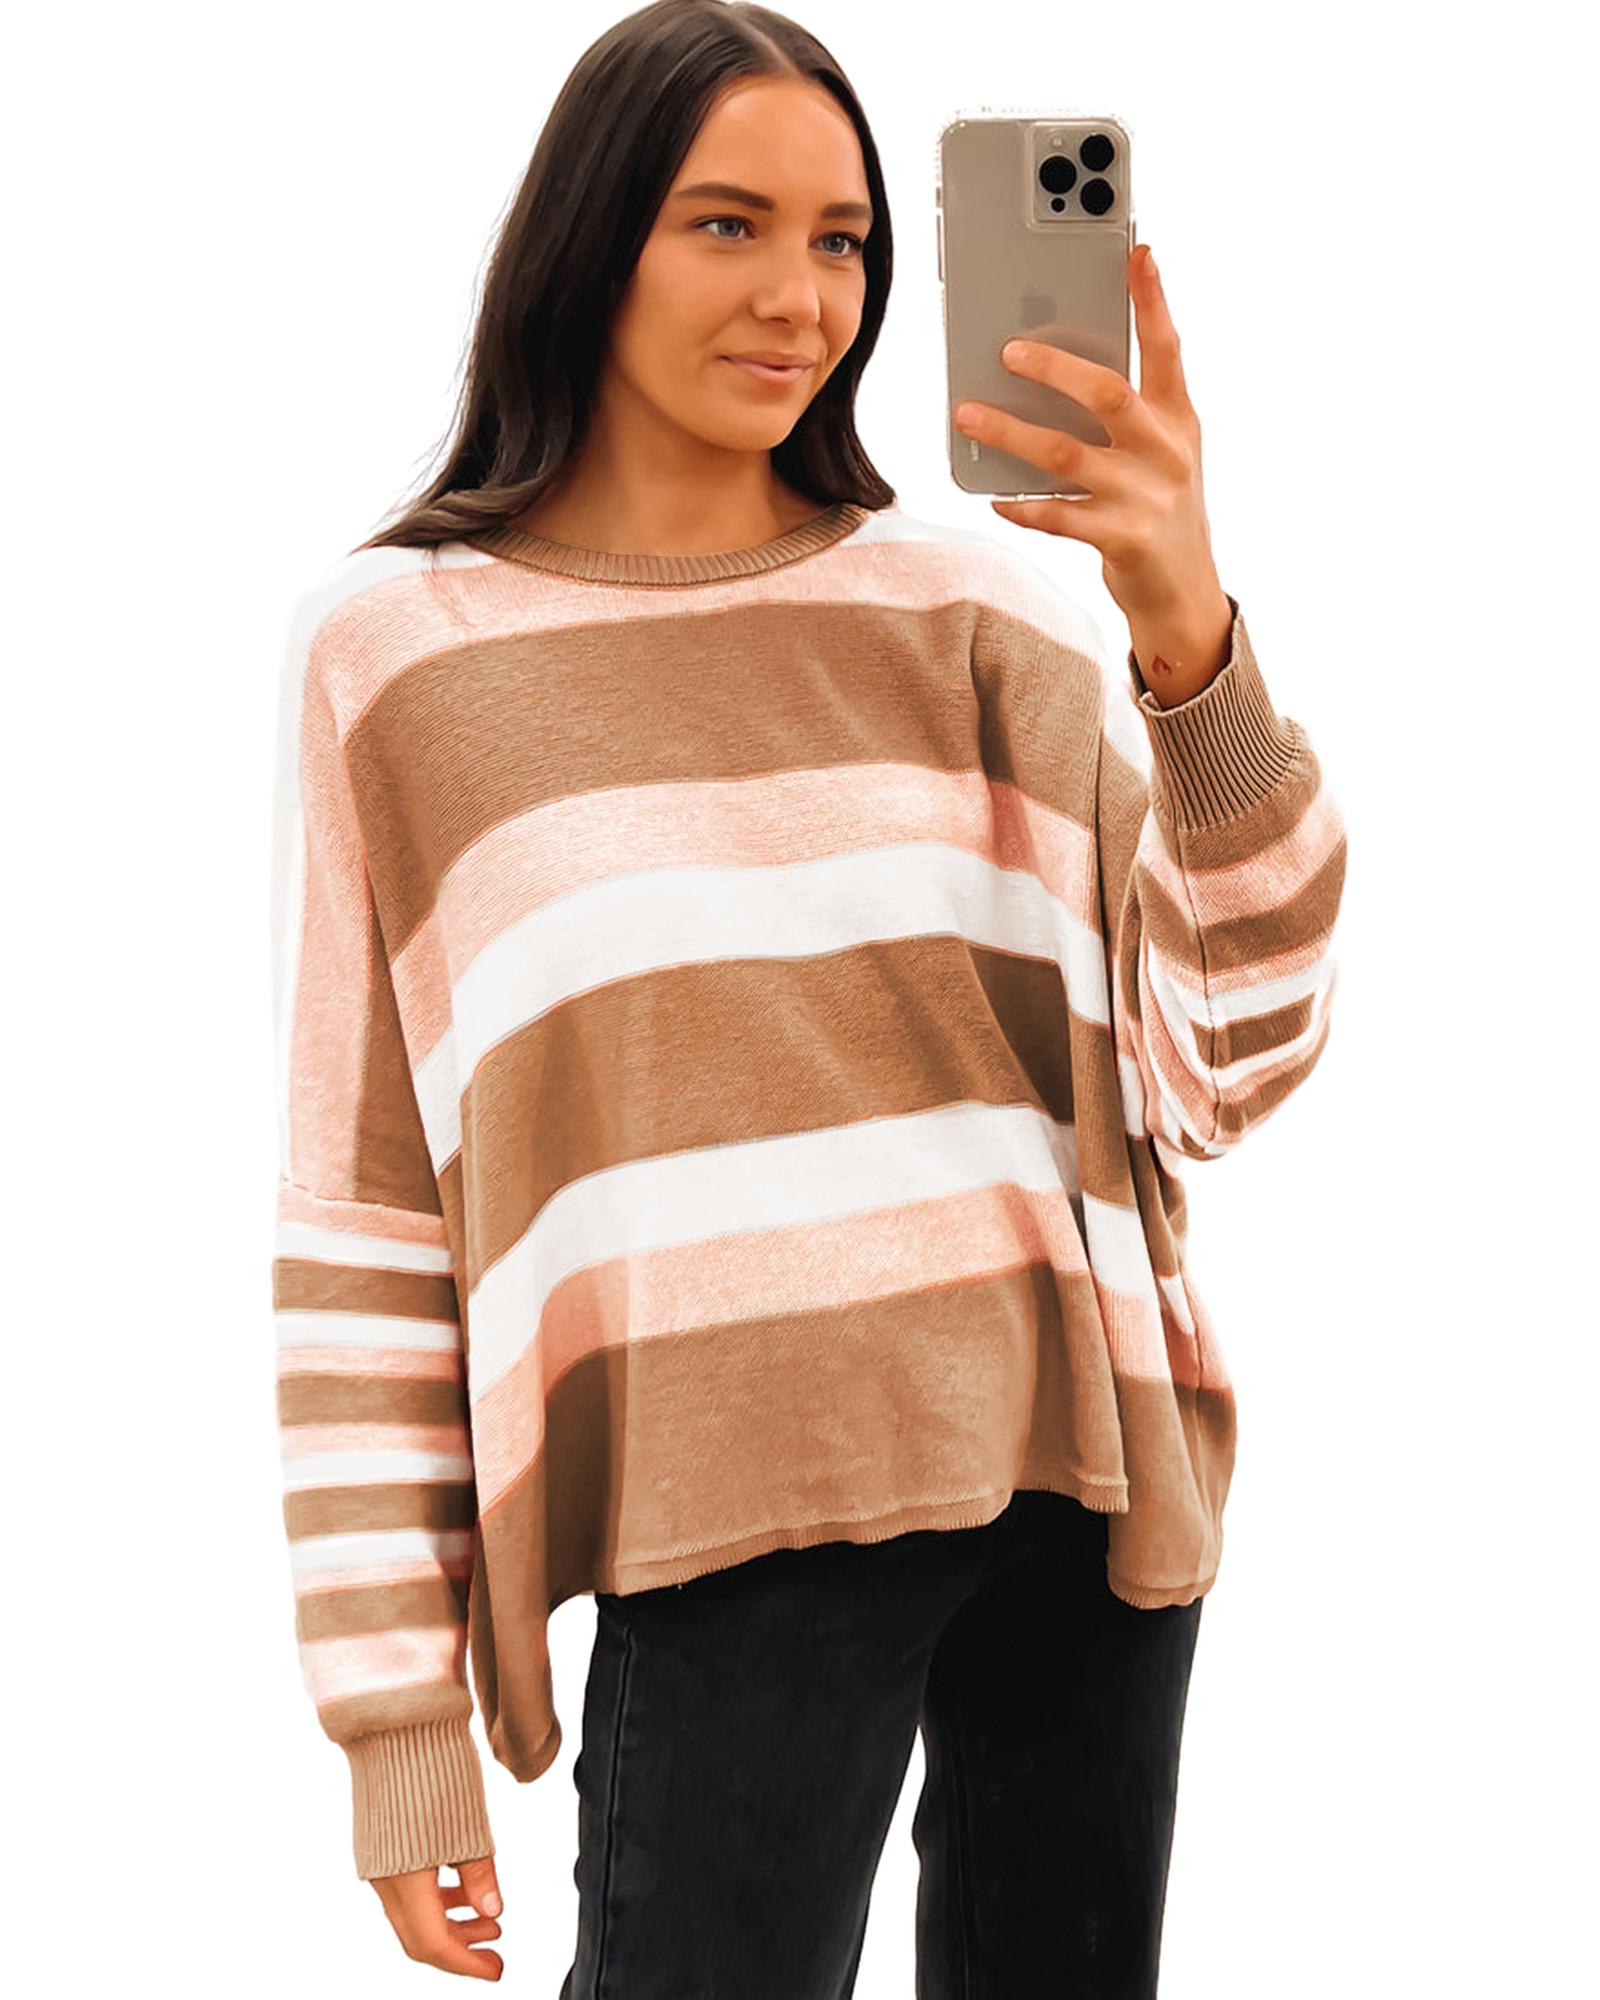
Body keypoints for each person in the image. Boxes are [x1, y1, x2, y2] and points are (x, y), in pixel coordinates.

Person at [268, 3, 1346, 1994]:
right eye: (728, 224)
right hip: (723, 1502)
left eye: (844, 240)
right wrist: (396, 1729)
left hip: (1077, 1488)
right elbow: (366, 1213)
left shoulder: (980, 616)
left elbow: (1228, 1064)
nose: (800, 298)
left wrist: (1186, 636)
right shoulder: (399, 658)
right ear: (588, 240)